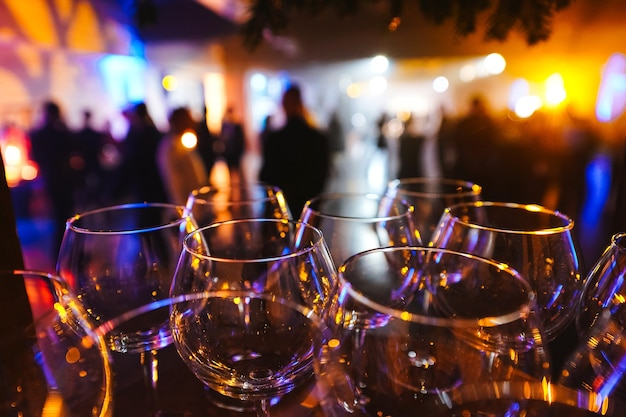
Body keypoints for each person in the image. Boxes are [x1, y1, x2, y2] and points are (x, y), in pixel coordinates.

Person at [259, 84, 330, 216]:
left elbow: (265, 176)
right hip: (308, 209)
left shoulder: (275, 139)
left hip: (282, 208)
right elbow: (321, 178)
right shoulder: (317, 138)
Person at [29, 100, 81, 257]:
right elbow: (74, 148)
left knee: (59, 217)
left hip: (52, 180)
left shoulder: (39, 134)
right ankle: (69, 251)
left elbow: (35, 156)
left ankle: (61, 251)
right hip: (65, 180)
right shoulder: (61, 132)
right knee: (66, 216)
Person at [113, 102, 168, 204]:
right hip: (154, 177)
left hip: (145, 179)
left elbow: (132, 158)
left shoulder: (140, 133)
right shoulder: (150, 130)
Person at [157, 107, 208, 205]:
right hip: (188, 208)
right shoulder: (170, 148)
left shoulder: (184, 142)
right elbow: (174, 185)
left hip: (197, 204)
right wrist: (186, 212)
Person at [220, 106, 246, 183]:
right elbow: (222, 138)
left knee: (238, 169)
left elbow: (241, 139)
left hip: (236, 151)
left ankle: (240, 185)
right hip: (228, 151)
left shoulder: (237, 125)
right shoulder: (225, 125)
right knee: (229, 170)